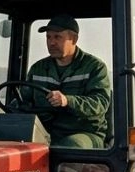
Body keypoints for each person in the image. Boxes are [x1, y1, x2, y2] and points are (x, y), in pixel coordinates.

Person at [26, 14, 111, 148]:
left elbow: (100, 102)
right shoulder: (38, 69)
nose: (51, 42)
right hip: (47, 131)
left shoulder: (94, 67)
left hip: (85, 132)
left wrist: (67, 101)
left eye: (57, 37)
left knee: (70, 146)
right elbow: (24, 100)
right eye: (48, 37)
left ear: (74, 39)